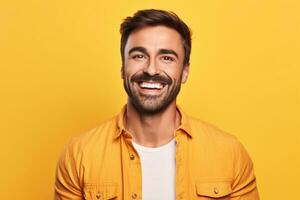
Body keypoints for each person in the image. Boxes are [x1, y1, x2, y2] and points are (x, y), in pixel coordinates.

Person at [54, 9, 259, 200]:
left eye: (166, 57)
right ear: (123, 66)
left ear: (185, 71)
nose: (151, 70)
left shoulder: (229, 154)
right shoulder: (80, 154)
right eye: (139, 56)